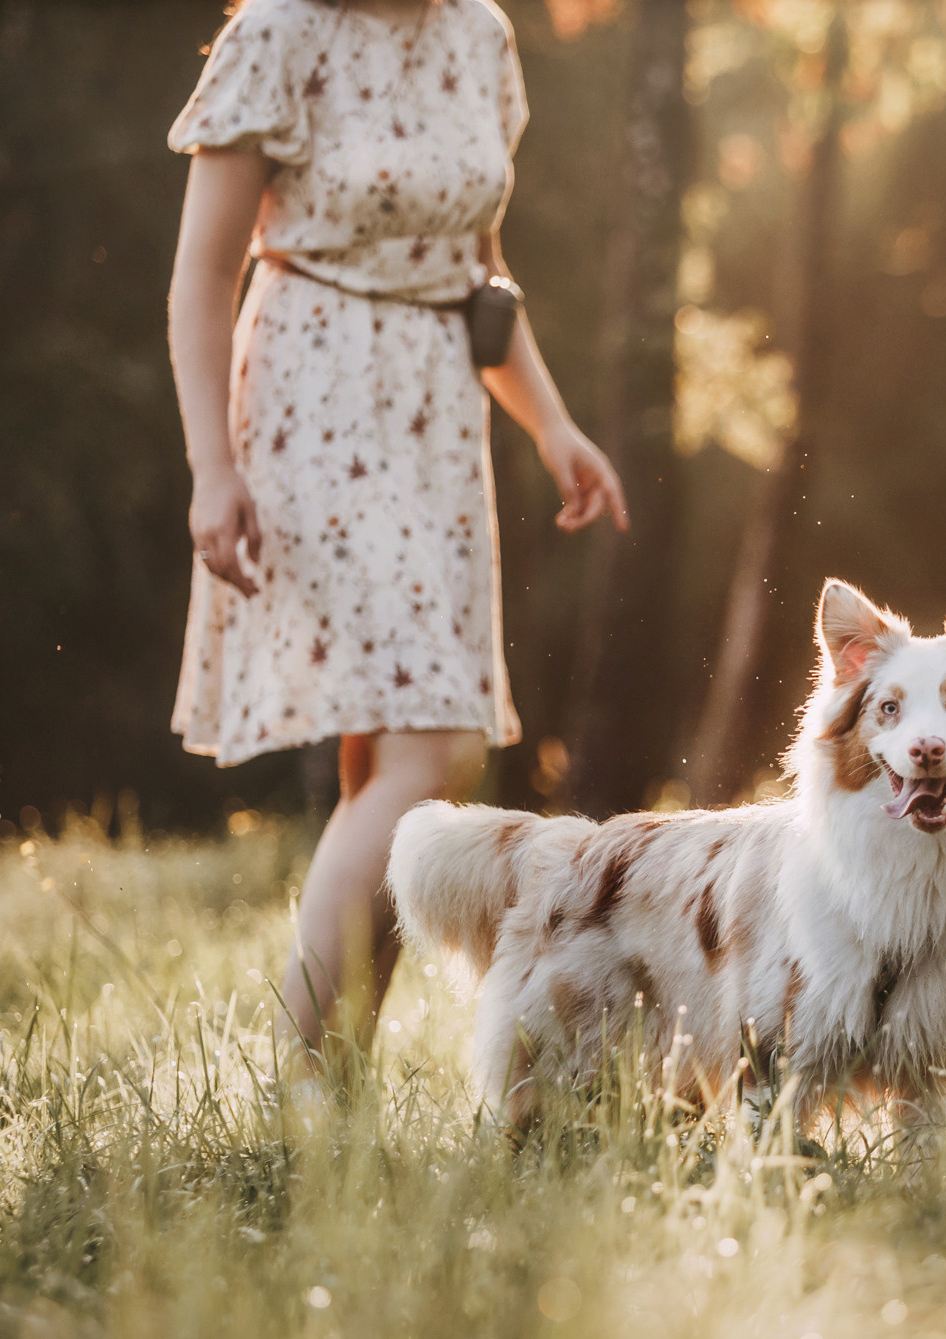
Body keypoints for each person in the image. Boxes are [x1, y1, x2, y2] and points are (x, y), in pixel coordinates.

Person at [164, 0, 626, 1064]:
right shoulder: (279, 33)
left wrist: (551, 425)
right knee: (437, 748)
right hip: (309, 396)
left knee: (395, 760)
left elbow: (476, 270)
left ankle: (340, 1084)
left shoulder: (481, 33)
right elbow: (200, 274)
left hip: (435, 418)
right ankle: (300, 1071)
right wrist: (211, 467)